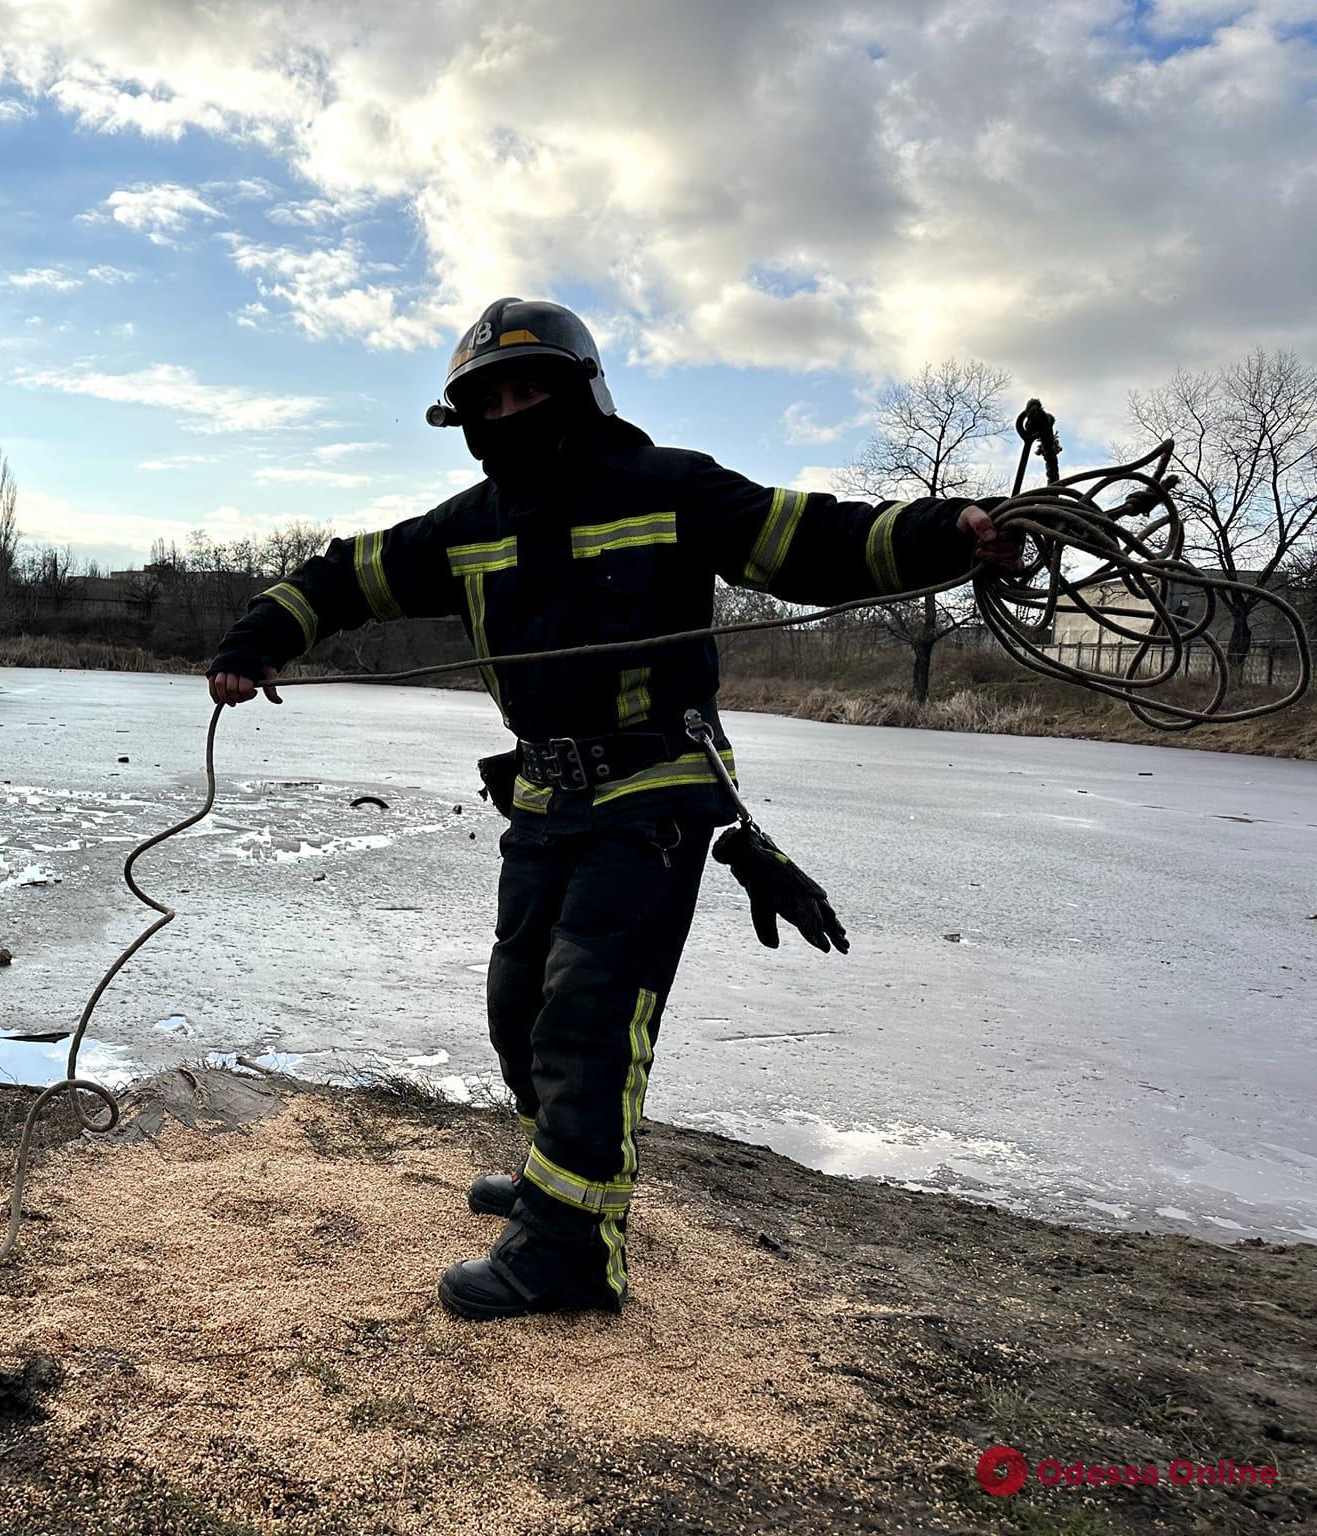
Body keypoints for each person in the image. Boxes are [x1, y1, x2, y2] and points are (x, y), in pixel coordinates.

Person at [204, 297, 1026, 1322]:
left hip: (654, 799)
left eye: (529, 388)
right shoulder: (466, 530)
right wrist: (253, 642)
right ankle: (556, 1170)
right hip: (543, 800)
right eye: (488, 398)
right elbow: (343, 575)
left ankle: (570, 1253)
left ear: (578, 391)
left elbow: (815, 542)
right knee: (518, 1010)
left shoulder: (667, 487)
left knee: (591, 1017)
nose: (509, 410)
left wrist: (951, 534)